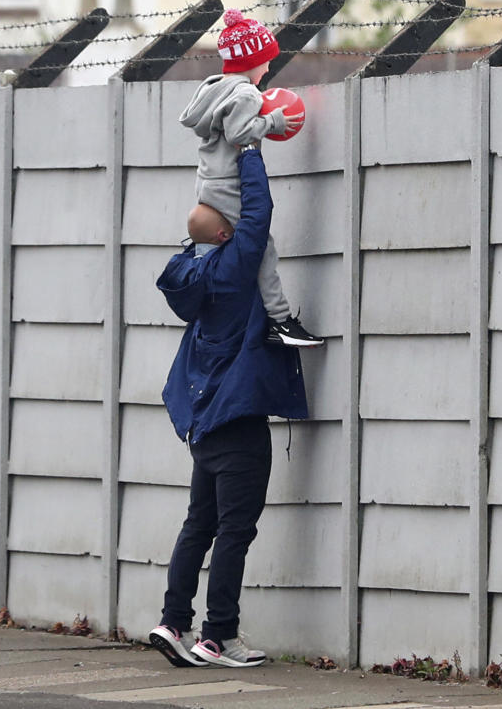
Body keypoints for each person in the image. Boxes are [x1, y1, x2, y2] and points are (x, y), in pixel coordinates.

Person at [146, 146, 308, 669]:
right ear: (225, 234)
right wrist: (248, 152)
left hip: (204, 425)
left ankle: (173, 622)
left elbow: (213, 226)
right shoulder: (237, 268)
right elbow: (258, 216)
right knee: (235, 531)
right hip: (238, 422)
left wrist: (214, 188)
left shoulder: (196, 274)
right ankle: (218, 637)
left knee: (199, 525)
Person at [179, 8, 322, 348]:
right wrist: (273, 122)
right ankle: (280, 321)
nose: (269, 68)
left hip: (208, 182)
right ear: (251, 61)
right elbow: (239, 132)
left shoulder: (213, 88)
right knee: (261, 248)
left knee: (217, 249)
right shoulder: (245, 93)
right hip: (230, 184)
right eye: (266, 61)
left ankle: (216, 305)